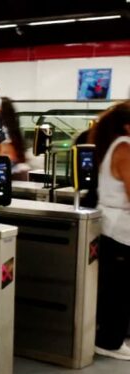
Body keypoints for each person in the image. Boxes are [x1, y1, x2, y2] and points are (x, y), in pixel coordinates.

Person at [91, 101, 130, 360]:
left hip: (115, 227)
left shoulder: (116, 145)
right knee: (119, 289)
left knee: (117, 286)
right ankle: (109, 342)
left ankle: (111, 337)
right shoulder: (125, 148)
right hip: (119, 230)